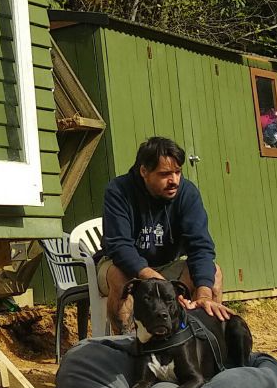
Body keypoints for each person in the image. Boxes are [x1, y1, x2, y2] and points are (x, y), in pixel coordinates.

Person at [99, 136, 231, 331]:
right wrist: (156, 281)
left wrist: (203, 294)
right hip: (123, 266)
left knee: (214, 274)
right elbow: (119, 247)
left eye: (178, 172)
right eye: (165, 174)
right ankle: (125, 343)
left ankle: (202, 340)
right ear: (144, 171)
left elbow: (200, 247)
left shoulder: (187, 193)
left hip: (168, 266)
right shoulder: (118, 191)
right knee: (120, 278)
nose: (174, 181)